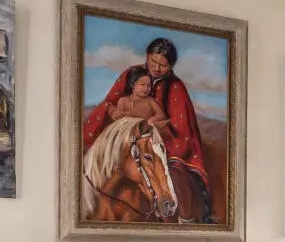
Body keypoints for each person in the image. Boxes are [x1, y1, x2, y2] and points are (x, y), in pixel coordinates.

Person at [82, 38, 213, 220]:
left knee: (170, 176)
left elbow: (178, 125)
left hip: (162, 141)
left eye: (163, 65)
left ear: (171, 66)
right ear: (147, 56)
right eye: (153, 61)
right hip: (127, 137)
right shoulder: (132, 74)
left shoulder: (175, 87)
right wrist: (112, 111)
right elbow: (111, 101)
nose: (157, 68)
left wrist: (153, 126)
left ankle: (181, 218)